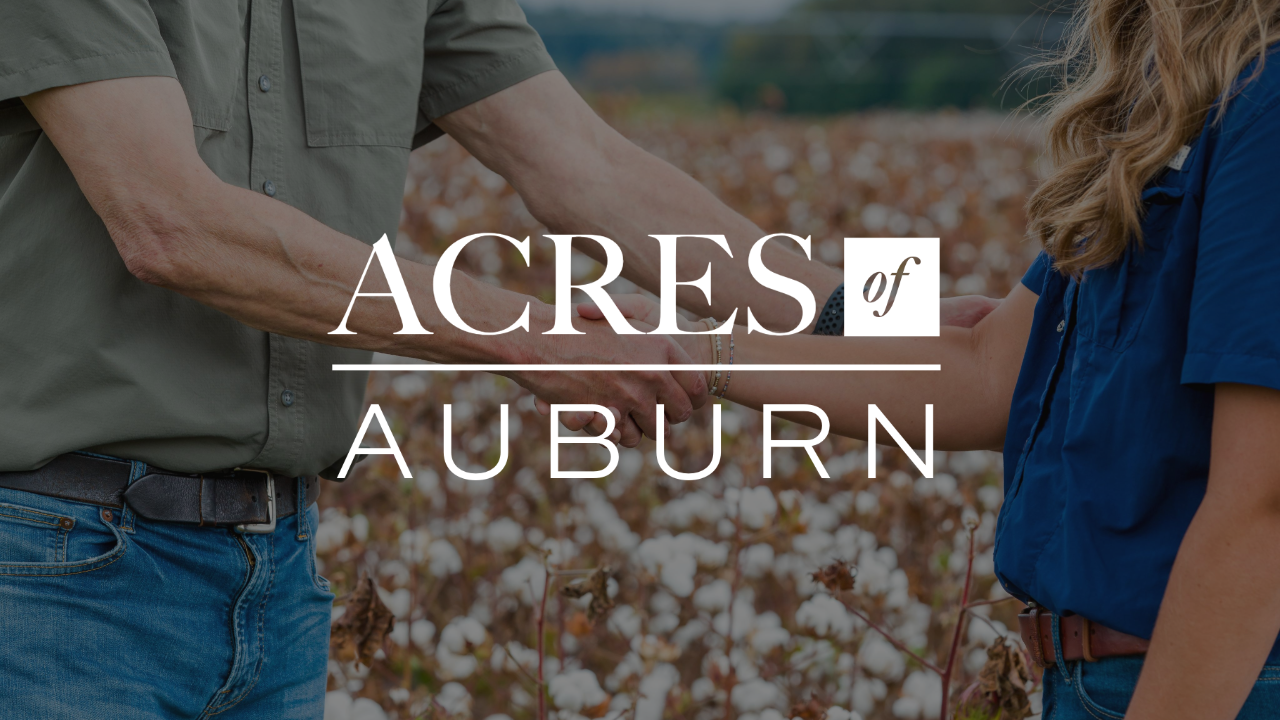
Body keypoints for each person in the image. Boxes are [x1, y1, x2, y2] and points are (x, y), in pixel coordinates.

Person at [0, 1, 997, 716]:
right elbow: (170, 221)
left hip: (281, 573)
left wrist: (881, 311)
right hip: (56, 570)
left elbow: (591, 171)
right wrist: (530, 332)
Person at [595, 1, 1280, 717]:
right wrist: (701, 353)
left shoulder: (1268, 107)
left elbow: (1262, 501)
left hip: (1210, 680)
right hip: (1117, 679)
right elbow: (987, 369)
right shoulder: (1188, 104)